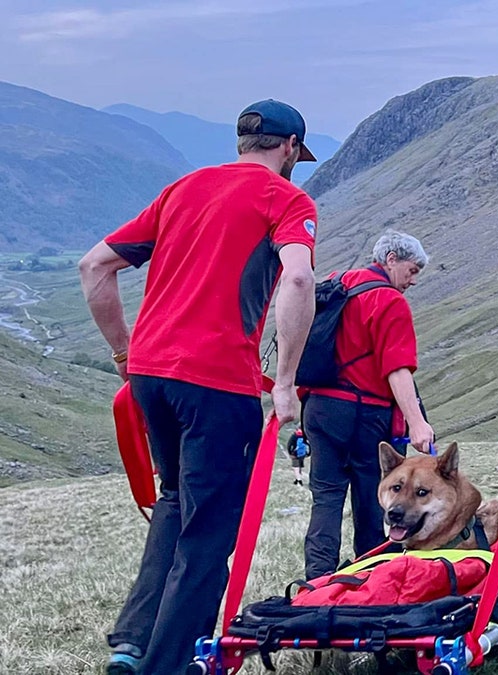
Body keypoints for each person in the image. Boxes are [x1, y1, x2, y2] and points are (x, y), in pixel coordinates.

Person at [79, 99, 318, 675]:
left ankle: (131, 646)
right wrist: (285, 382)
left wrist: (124, 354)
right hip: (217, 383)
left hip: (151, 378)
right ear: (289, 148)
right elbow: (301, 276)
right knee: (210, 527)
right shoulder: (286, 198)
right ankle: (172, 661)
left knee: (174, 502)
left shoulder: (181, 190)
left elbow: (95, 267)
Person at [301, 229, 435, 580]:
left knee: (326, 498)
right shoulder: (389, 301)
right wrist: (417, 423)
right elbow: (396, 369)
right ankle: (375, 576)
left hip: (319, 408)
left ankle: (316, 582)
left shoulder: (337, 284)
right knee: (371, 498)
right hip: (363, 414)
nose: (414, 280)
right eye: (412, 270)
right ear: (391, 260)